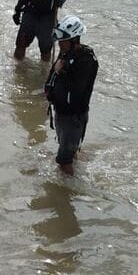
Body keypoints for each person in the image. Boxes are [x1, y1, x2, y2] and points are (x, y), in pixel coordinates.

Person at [44, 15, 98, 175]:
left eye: (63, 41)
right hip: (61, 112)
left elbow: (76, 89)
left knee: (63, 160)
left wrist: (62, 71)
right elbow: (54, 74)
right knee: (68, 150)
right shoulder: (65, 53)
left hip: (73, 117)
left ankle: (67, 191)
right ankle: (74, 162)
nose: (60, 44)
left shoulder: (86, 60)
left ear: (75, 39)